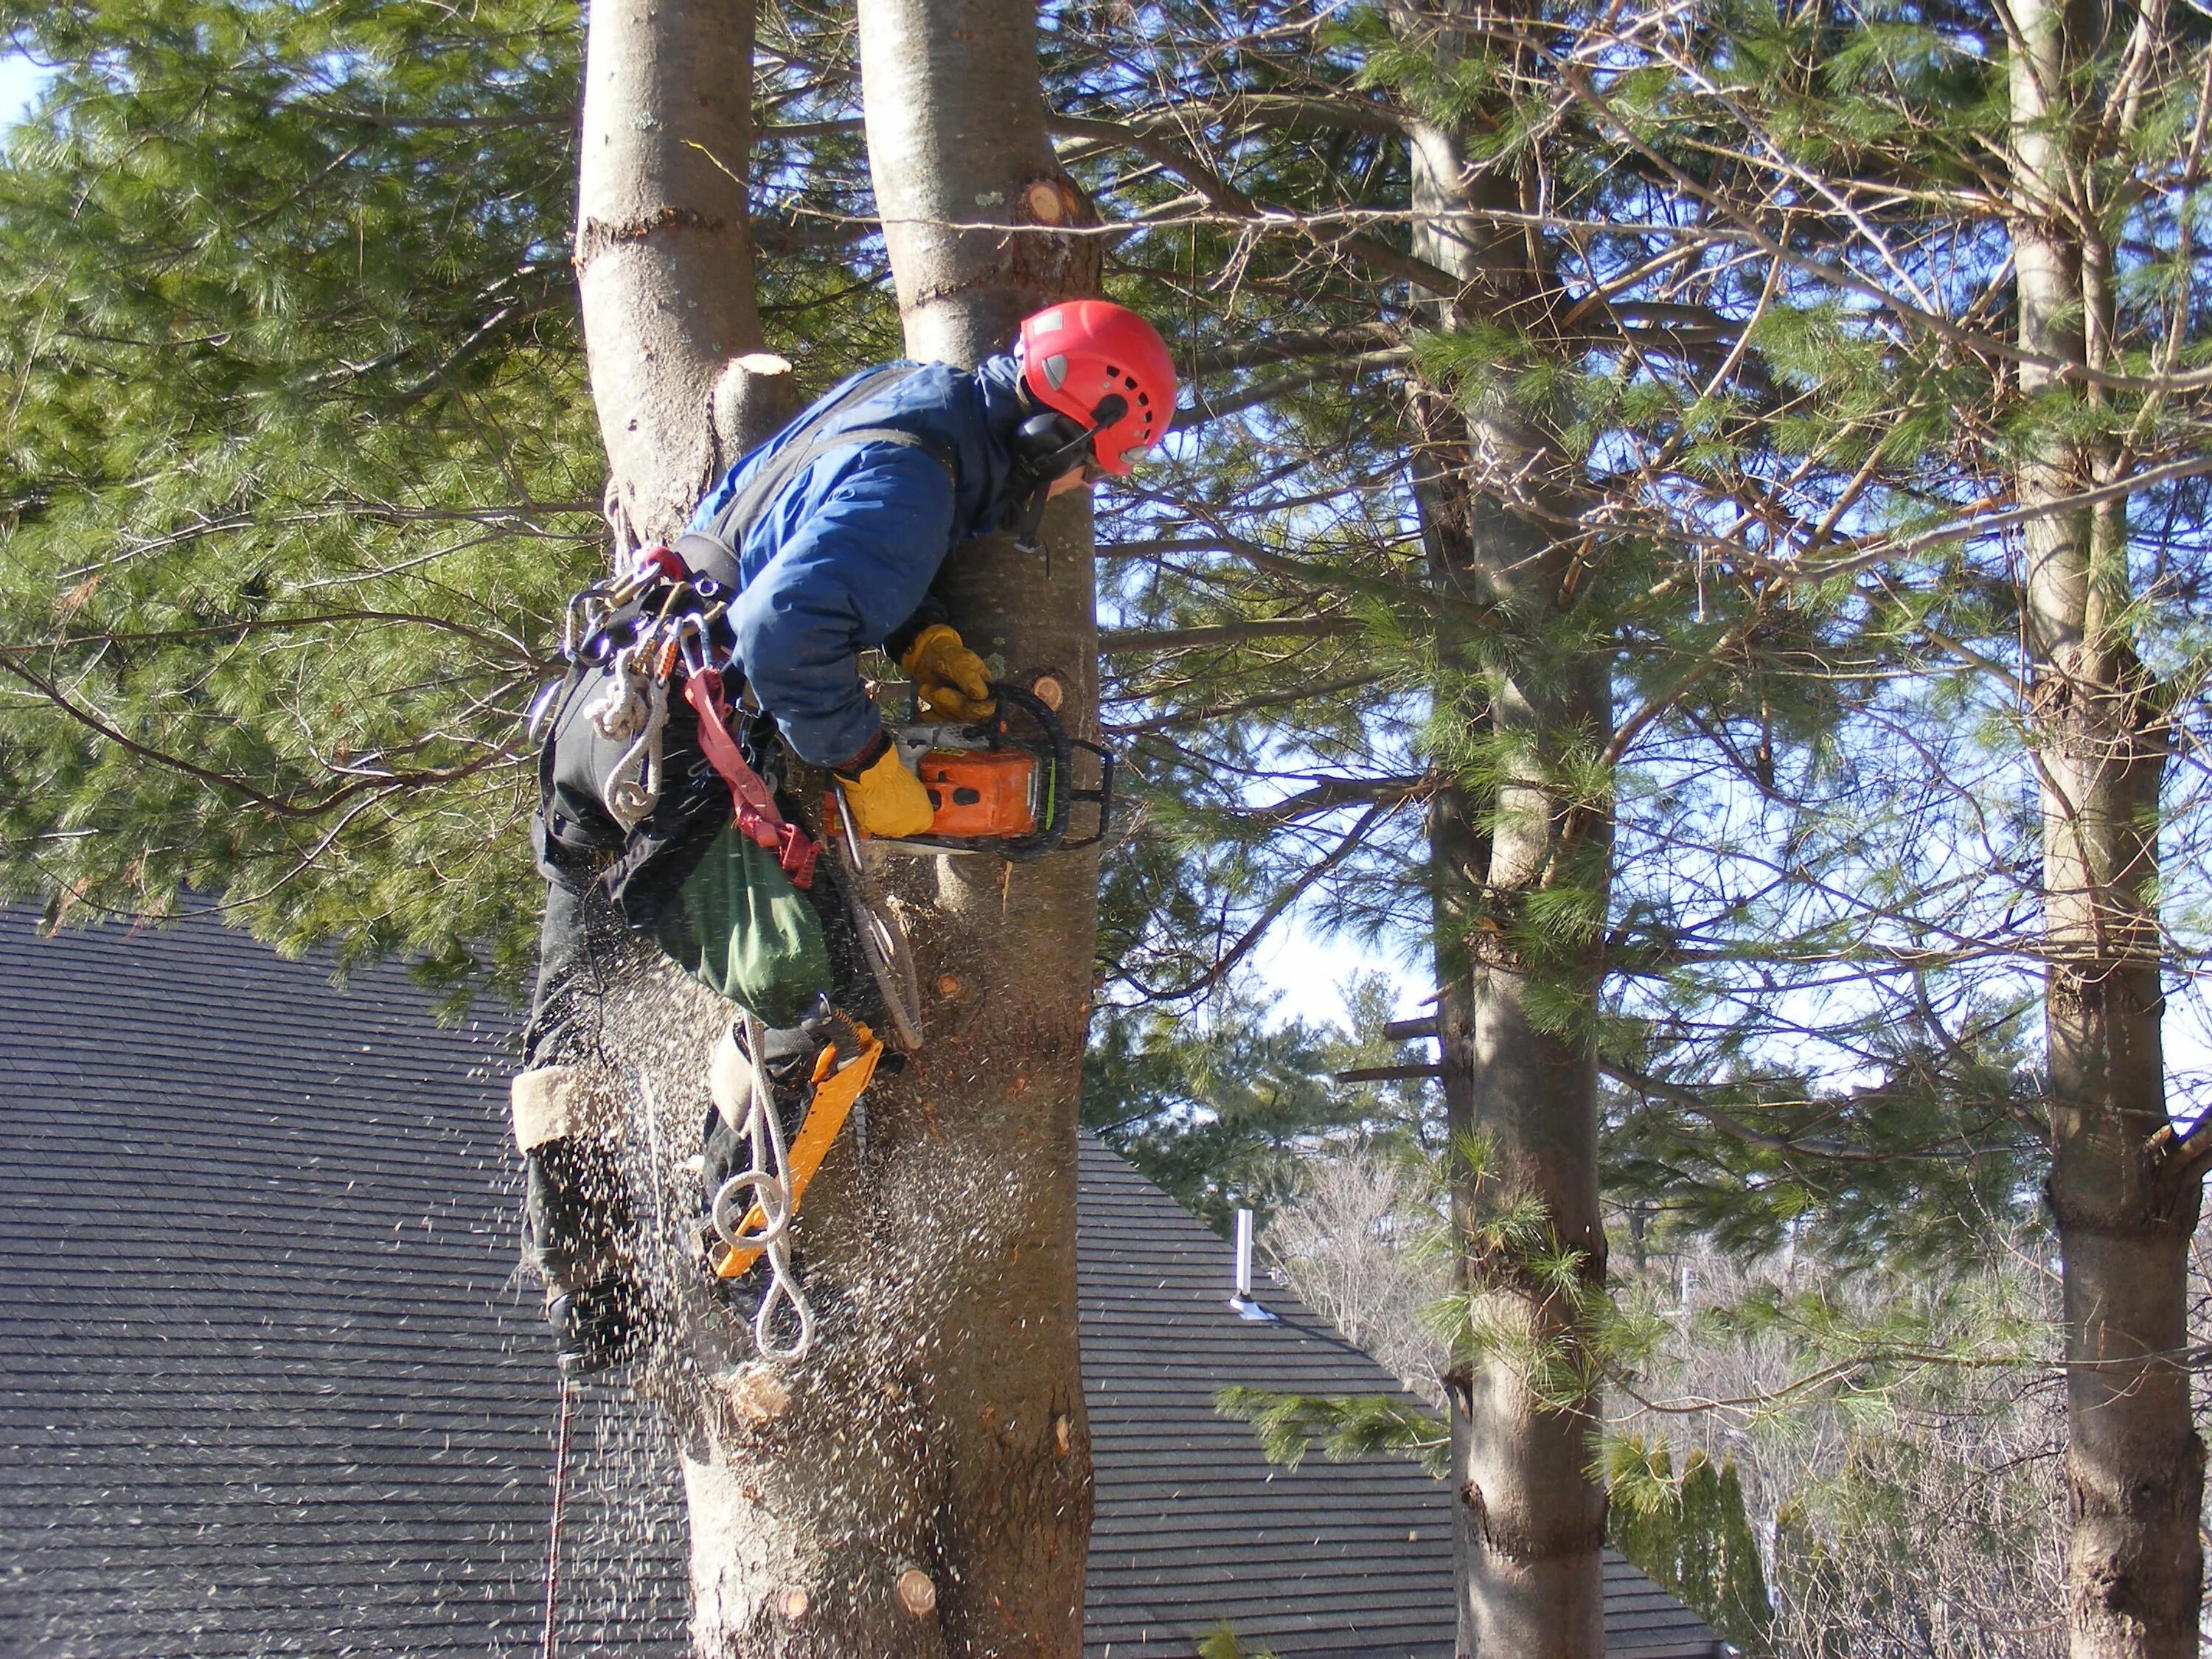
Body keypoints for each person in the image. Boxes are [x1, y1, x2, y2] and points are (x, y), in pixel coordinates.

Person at [508, 299, 1178, 1372]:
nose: (1082, 486)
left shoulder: (913, 403)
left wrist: (919, 631)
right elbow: (784, 631)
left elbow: (820, 528)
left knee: (572, 1021)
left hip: (606, 713)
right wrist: (869, 762)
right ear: (1062, 431)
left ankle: (586, 1290)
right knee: (822, 1006)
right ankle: (715, 1263)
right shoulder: (924, 483)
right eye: (1092, 463)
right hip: (675, 762)